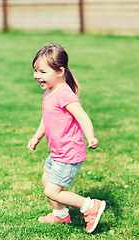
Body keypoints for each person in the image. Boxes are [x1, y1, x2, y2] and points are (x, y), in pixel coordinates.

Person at [27, 43, 105, 234]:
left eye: (43, 71)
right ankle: (60, 215)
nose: (37, 76)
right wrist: (37, 137)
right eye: (35, 71)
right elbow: (47, 118)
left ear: (60, 71)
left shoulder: (64, 94)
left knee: (52, 191)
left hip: (69, 152)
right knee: (47, 181)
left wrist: (91, 136)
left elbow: (82, 116)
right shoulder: (50, 92)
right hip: (57, 152)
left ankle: (90, 206)